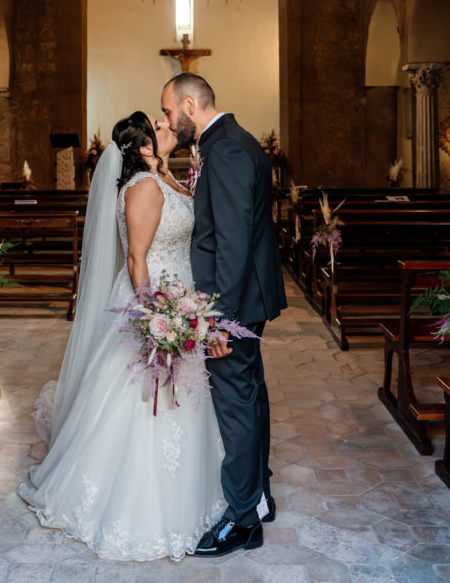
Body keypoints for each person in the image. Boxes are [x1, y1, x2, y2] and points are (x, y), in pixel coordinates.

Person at [18, 111, 226, 560]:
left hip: (180, 300)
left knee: (183, 401)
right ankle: (138, 509)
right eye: (161, 126)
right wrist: (157, 322)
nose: (170, 126)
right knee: (145, 403)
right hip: (158, 307)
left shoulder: (164, 178)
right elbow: (136, 258)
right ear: (146, 147)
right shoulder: (144, 186)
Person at [160, 72, 288, 557]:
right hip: (247, 298)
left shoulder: (227, 149)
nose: (168, 120)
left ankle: (242, 519)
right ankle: (259, 495)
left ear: (190, 105)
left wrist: (219, 321)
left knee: (236, 405)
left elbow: (232, 242)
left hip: (235, 303)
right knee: (250, 395)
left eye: (169, 111)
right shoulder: (235, 140)